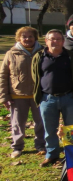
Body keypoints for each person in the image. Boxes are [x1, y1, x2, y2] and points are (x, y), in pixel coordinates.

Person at [32, 29, 73, 167]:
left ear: (63, 41)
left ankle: (71, 155)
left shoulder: (71, 56)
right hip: (48, 99)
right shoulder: (39, 57)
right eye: (52, 39)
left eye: (58, 39)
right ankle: (52, 155)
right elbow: (35, 76)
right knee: (49, 129)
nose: (55, 41)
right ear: (46, 41)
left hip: (68, 97)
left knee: (71, 128)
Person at [0, 27, 45, 158]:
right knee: (17, 123)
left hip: (39, 94)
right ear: (19, 38)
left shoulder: (43, 51)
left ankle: (41, 145)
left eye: (30, 36)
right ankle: (17, 146)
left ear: (35, 38)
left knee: (41, 122)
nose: (27, 39)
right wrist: (4, 96)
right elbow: (3, 75)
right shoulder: (11, 53)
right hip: (17, 94)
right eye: (24, 36)